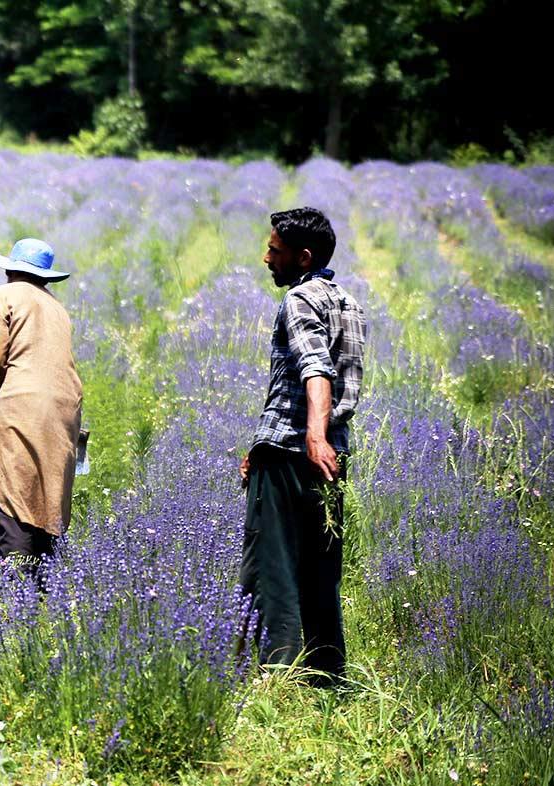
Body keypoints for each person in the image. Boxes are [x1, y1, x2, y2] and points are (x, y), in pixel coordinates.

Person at [238, 207, 366, 686]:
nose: (266, 257)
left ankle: (275, 676)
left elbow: (315, 369)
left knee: (271, 564)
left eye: (275, 250)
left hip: (297, 451)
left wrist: (311, 436)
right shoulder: (349, 304)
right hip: (330, 456)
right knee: (319, 567)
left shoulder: (298, 299)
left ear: (302, 256)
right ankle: (325, 674)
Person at [0, 238, 83, 575]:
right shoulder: (58, 308)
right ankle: (45, 594)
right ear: (46, 277)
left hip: (21, 404)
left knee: (14, 492)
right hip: (65, 409)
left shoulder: (1, 296)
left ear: (8, 269)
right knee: (48, 496)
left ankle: (19, 594)